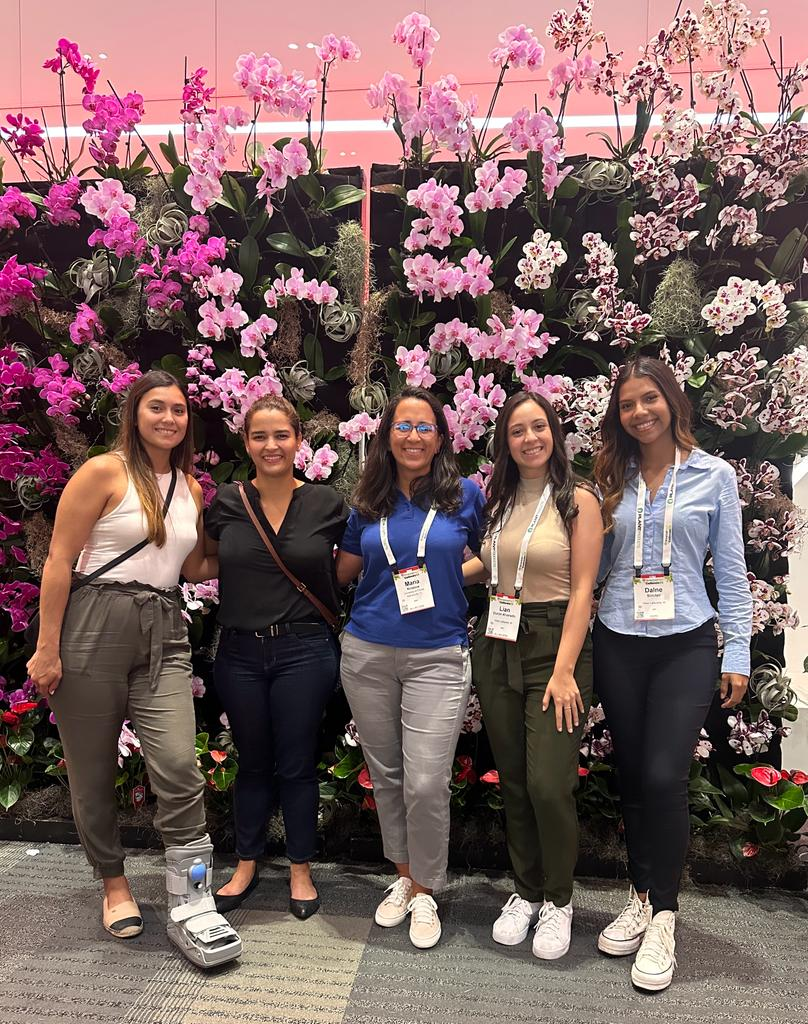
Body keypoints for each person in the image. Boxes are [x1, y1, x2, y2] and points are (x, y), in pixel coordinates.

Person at [26, 370, 242, 969]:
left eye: (178, 410)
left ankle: (190, 897)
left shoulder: (192, 489)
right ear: (135, 413)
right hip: (93, 624)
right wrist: (48, 648)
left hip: (164, 629)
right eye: (157, 408)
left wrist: (266, 541)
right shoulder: (103, 472)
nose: (169, 419)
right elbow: (60, 561)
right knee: (92, 767)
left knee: (176, 761)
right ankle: (113, 882)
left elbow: (195, 564)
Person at [592, 356, 752, 993]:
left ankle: (665, 914)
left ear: (672, 401)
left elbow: (733, 574)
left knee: (664, 775)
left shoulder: (714, 476)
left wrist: (736, 651)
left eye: (648, 400)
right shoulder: (611, 477)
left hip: (685, 642)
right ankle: (639, 892)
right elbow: (591, 566)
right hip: (619, 638)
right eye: (627, 404)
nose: (639, 413)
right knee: (631, 774)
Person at [336, 386, 484, 950]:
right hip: (368, 653)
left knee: (426, 781)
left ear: (441, 437)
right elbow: (346, 571)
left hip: (438, 656)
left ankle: (427, 890)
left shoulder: (464, 495)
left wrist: (445, 575)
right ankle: (403, 877)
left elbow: (484, 557)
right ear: (387, 436)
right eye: (404, 426)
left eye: (425, 427)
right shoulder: (367, 500)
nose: (414, 436)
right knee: (389, 775)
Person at [463, 392, 603, 960]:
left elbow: (584, 588)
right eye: (517, 430)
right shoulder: (498, 501)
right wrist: (430, 560)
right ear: (505, 441)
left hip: (554, 645)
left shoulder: (579, 500)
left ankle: (559, 898)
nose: (529, 438)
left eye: (538, 427)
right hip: (498, 641)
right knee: (515, 780)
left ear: (554, 433)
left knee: (549, 783)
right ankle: (525, 890)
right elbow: (491, 566)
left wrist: (566, 667)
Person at [205, 395, 346, 919]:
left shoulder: (328, 503)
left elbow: (345, 568)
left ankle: (300, 867)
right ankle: (246, 862)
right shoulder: (225, 502)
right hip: (239, 652)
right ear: (246, 443)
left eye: (281, 435)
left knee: (297, 762)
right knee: (252, 761)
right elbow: (198, 562)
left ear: (299, 441)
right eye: (259, 436)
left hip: (304, 649)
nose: (271, 445)